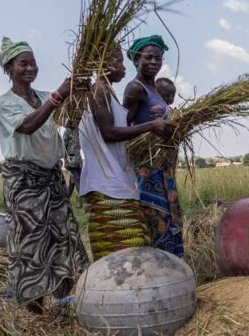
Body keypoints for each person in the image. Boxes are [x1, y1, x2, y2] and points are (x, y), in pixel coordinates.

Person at [0, 37, 89, 313]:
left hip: (51, 179)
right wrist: (58, 96)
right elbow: (28, 126)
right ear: (9, 69)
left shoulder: (43, 96)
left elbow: (70, 122)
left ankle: (64, 300)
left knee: (65, 236)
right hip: (24, 183)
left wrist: (79, 92)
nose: (30, 68)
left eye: (33, 62)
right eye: (23, 63)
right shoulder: (5, 103)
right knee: (30, 244)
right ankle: (34, 312)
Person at [78, 47, 174, 261]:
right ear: (102, 62)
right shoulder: (98, 90)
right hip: (105, 186)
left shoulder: (108, 92)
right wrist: (151, 125)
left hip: (119, 185)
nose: (123, 67)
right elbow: (109, 133)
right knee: (120, 256)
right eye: (119, 61)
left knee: (134, 251)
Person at [122, 35, 184, 257]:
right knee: (155, 221)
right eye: (148, 57)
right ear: (136, 59)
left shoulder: (156, 90)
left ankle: (172, 273)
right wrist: (152, 127)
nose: (153, 62)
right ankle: (158, 273)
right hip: (147, 170)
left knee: (169, 219)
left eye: (158, 58)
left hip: (163, 168)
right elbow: (122, 128)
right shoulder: (135, 88)